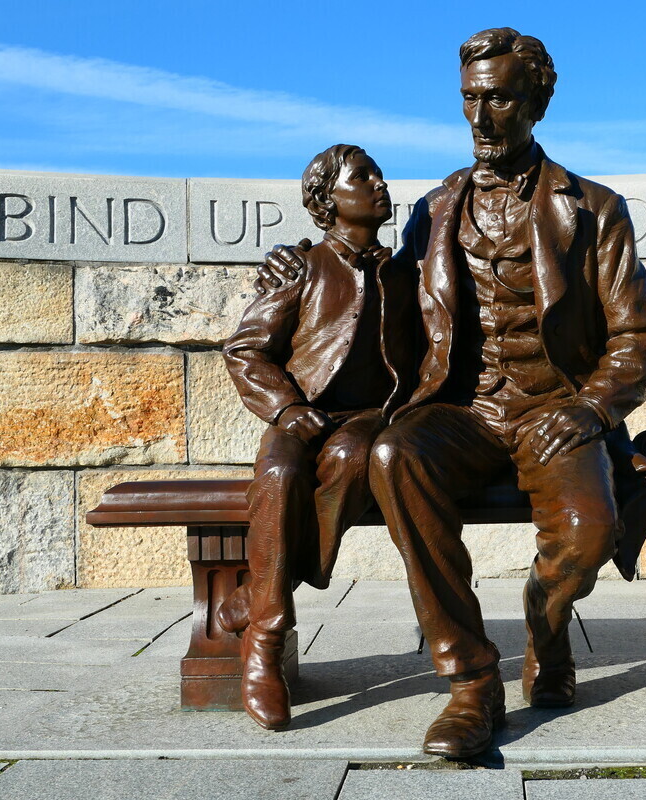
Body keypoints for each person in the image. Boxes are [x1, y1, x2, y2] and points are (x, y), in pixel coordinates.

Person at [264, 27, 646, 758]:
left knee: (587, 535)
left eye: (501, 98)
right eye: (470, 99)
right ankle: (472, 681)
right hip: (466, 413)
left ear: (537, 102)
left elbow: (640, 337)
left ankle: (545, 627)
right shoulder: (435, 207)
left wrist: (588, 407)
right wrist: (298, 262)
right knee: (392, 455)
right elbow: (370, 279)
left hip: (557, 412)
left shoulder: (596, 208)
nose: (482, 117)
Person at [221, 144, 413, 730]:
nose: (379, 183)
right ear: (327, 200)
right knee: (279, 474)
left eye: (378, 173)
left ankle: (256, 596)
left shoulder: (408, 273)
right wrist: (284, 408)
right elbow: (246, 349)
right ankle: (267, 640)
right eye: (363, 176)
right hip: (300, 415)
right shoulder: (301, 267)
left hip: (366, 418)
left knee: (358, 457)